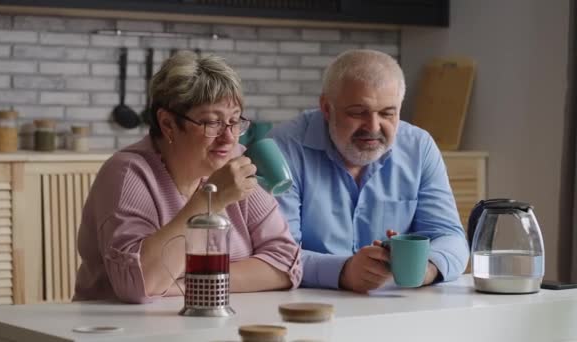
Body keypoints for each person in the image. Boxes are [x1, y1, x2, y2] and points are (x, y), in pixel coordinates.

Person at [74, 51, 302, 303]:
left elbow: (286, 264)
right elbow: (141, 283)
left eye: (234, 121)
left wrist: (184, 284)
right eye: (211, 123)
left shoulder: (235, 161)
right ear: (168, 124)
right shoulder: (127, 174)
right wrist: (210, 202)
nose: (229, 138)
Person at [268, 49, 469, 293]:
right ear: (326, 108)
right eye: (357, 112)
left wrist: (425, 269)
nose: (373, 127)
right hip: (306, 305)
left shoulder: (419, 147)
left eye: (387, 113)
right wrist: (343, 271)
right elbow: (275, 255)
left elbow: (450, 237)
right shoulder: (282, 149)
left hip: (398, 307)